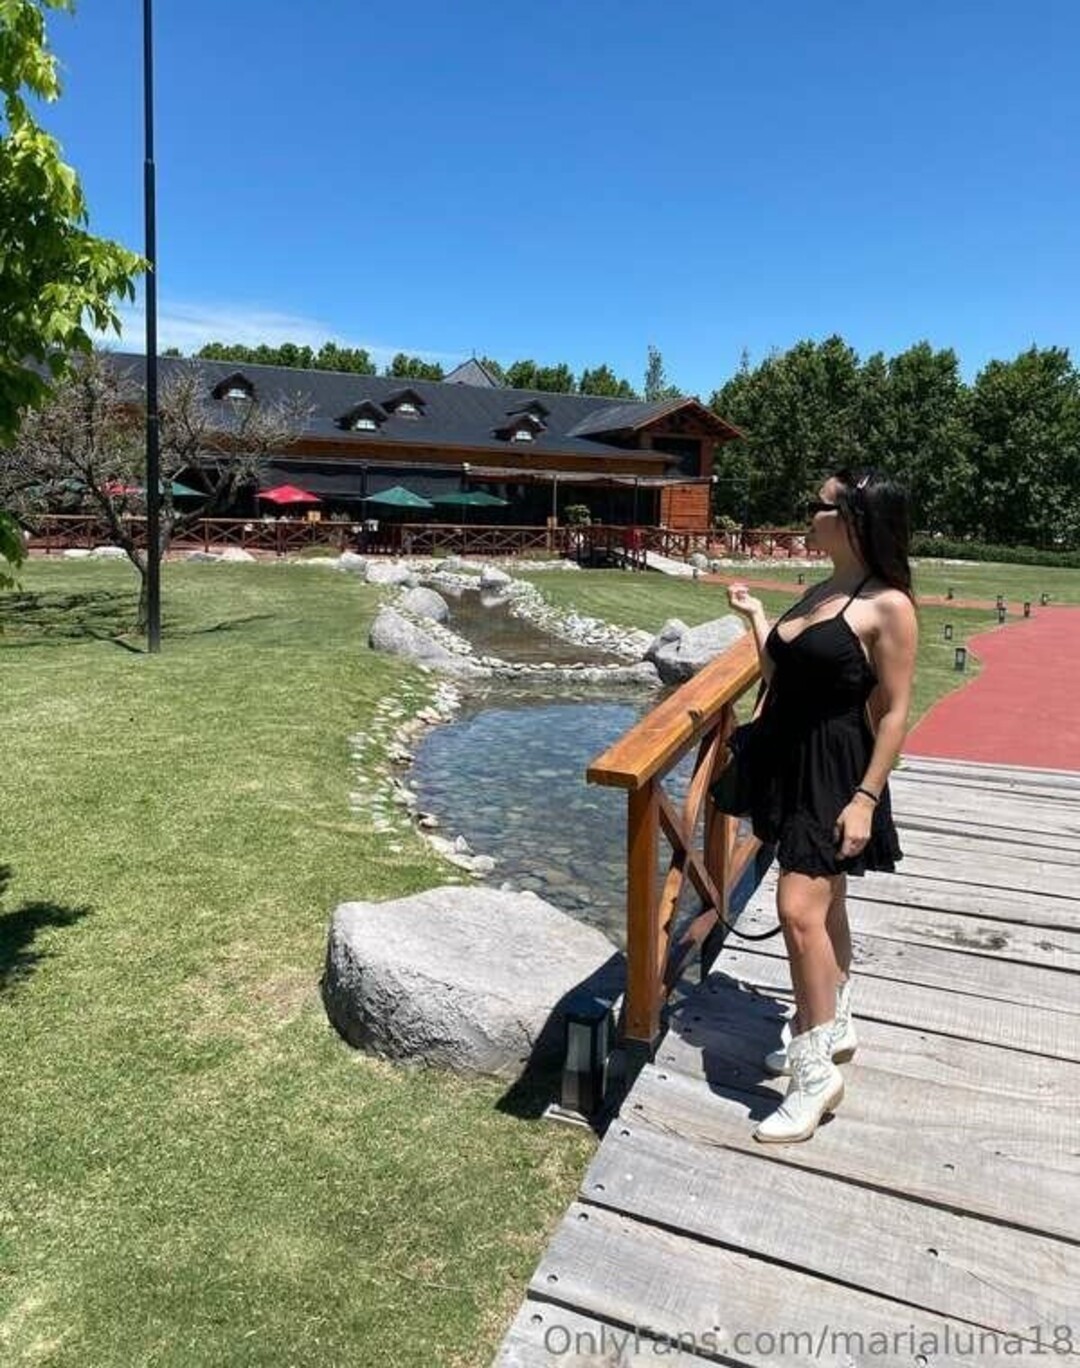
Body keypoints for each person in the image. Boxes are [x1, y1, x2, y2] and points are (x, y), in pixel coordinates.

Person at [726, 468, 918, 1143]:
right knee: (827, 903)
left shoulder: (887, 604)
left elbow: (894, 712)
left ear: (855, 520)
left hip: (836, 771)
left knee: (797, 911)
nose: (809, 514)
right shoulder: (821, 588)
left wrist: (865, 798)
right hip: (788, 760)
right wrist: (756, 620)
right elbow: (782, 674)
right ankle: (834, 1025)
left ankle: (813, 1077)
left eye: (821, 506)